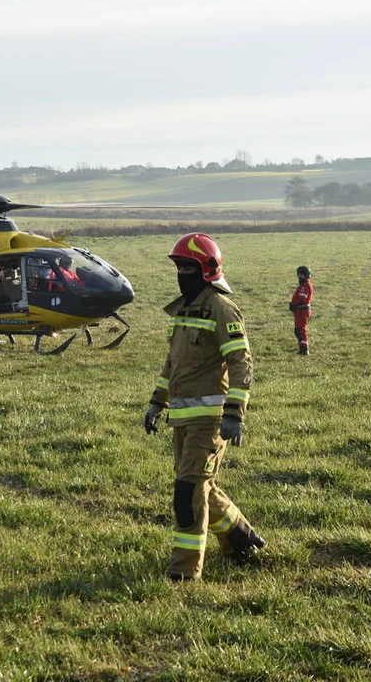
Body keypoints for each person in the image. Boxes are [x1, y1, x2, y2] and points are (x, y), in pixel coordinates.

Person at [143, 233, 265, 582]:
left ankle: (183, 573)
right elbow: (173, 365)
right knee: (202, 487)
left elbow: (242, 364)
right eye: (179, 267)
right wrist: (156, 402)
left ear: (207, 271)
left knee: (187, 494)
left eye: (188, 267)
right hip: (181, 421)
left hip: (209, 422)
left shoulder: (222, 309)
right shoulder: (183, 311)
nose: (182, 273)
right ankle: (242, 538)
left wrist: (233, 415)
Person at [289, 265, 313, 355]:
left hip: (302, 311)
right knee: (298, 330)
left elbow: (301, 298)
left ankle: (304, 349)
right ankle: (302, 348)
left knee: (301, 330)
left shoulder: (304, 286)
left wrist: (293, 305)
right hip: (300, 311)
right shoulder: (306, 284)